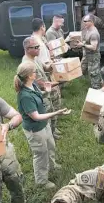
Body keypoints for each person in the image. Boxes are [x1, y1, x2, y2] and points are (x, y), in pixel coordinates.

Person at [14, 61, 70, 190]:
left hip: (44, 124)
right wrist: (56, 112)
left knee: (51, 145)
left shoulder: (32, 85)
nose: (36, 73)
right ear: (29, 75)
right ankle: (41, 180)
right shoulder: (25, 96)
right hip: (35, 129)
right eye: (34, 72)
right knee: (40, 154)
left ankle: (52, 165)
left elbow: (41, 94)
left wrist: (49, 90)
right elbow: (36, 116)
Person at [21, 36, 60, 140]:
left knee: (51, 112)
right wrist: (59, 81)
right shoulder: (28, 65)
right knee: (47, 115)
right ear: (28, 49)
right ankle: (49, 136)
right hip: (40, 95)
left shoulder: (35, 58)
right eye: (36, 47)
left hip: (45, 92)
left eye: (39, 46)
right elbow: (41, 84)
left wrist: (52, 65)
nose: (39, 48)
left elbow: (45, 68)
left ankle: (52, 133)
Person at [31, 18, 63, 138]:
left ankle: (54, 129)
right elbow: (41, 64)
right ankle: (51, 131)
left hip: (46, 73)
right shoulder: (36, 42)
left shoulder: (37, 39)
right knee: (51, 103)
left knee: (55, 102)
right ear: (42, 27)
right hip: (44, 76)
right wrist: (52, 66)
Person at [73, 14, 101, 90]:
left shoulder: (93, 33)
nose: (84, 22)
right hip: (89, 56)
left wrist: (83, 45)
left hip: (93, 57)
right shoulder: (89, 30)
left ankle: (97, 91)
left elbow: (94, 47)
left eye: (85, 21)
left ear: (91, 22)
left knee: (94, 74)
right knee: (91, 73)